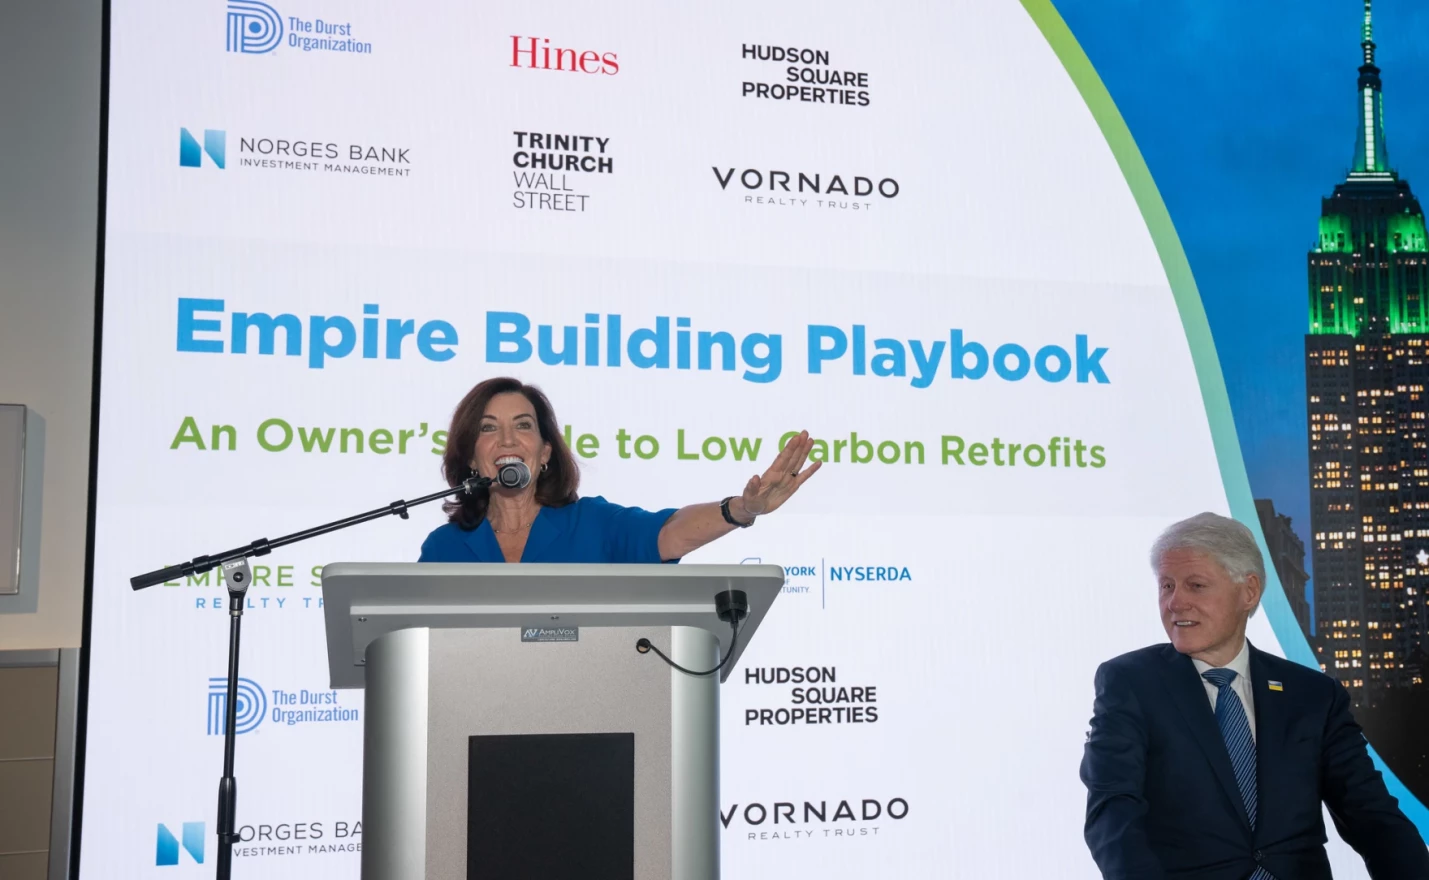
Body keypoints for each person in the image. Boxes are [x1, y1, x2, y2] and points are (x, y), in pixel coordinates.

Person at [1081, 512, 1429, 880]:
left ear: (1249, 591)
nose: (1175, 602)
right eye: (1167, 586)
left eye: (1195, 585)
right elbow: (1113, 813)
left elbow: (1372, 815)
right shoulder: (1130, 682)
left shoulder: (1314, 695)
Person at [419, 377, 820, 563]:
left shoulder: (592, 524)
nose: (507, 440)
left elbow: (669, 533)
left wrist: (743, 509)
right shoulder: (443, 548)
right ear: (471, 457)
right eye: (489, 428)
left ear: (544, 453)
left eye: (523, 425)